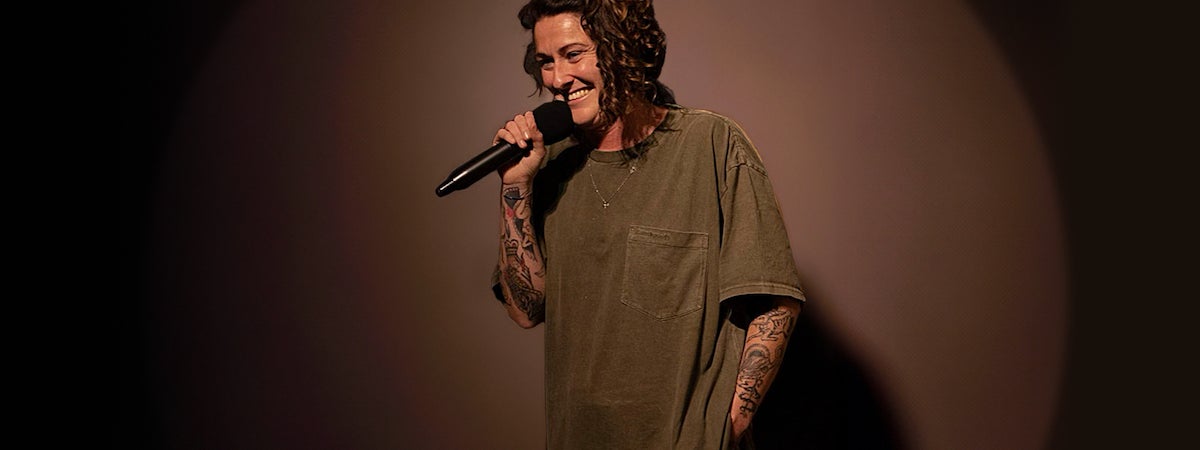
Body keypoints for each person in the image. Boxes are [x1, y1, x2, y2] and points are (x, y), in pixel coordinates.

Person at [490, 1, 805, 448]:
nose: (558, 79)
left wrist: (720, 430)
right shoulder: (551, 170)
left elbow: (774, 303)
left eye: (573, 54)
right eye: (546, 61)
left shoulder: (710, 144)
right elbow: (526, 310)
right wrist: (515, 185)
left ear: (622, 49)